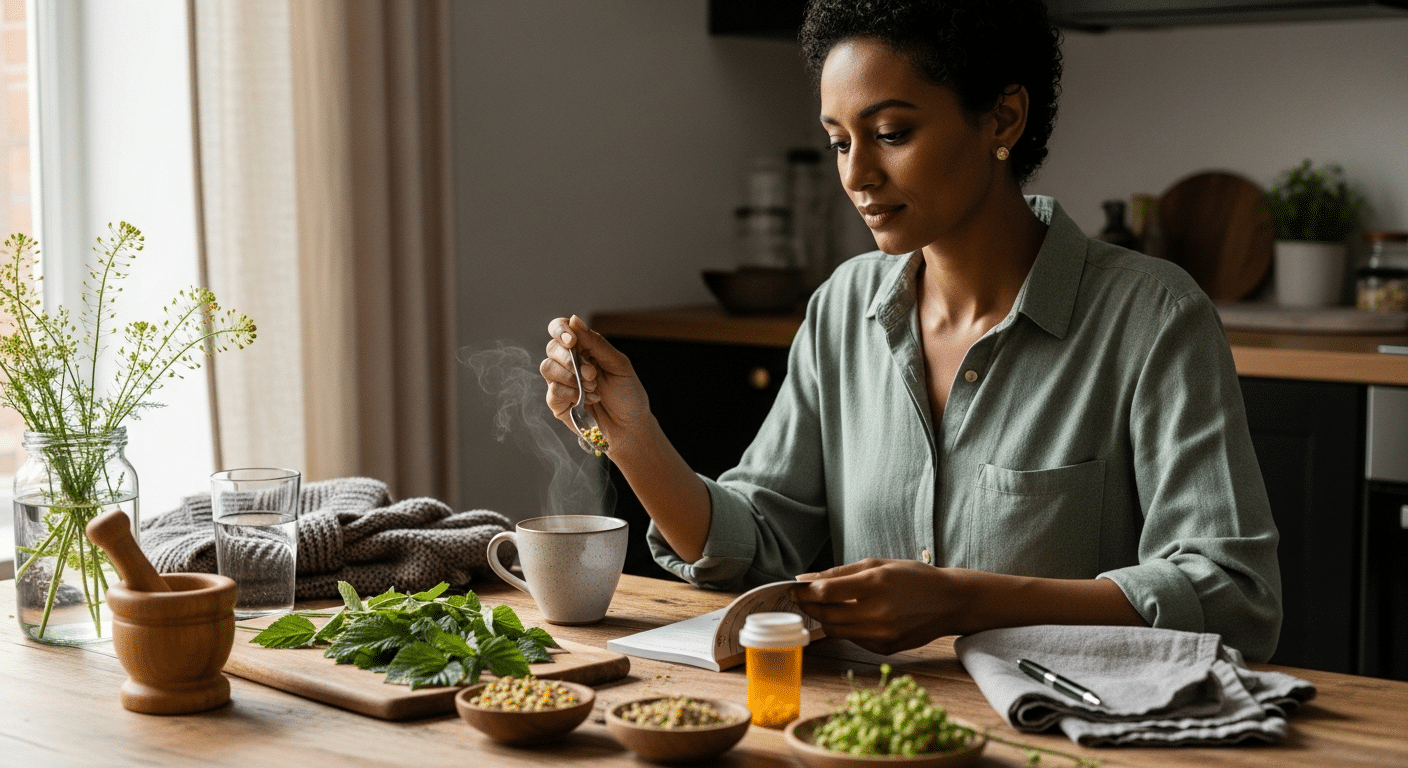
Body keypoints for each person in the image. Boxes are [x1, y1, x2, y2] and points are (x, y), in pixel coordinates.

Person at [540, 0, 1282, 662]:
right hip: (860, 736)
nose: (857, 174)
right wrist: (632, 437)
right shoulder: (843, 308)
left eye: (891, 133)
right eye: (839, 142)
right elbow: (758, 543)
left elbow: (1233, 596)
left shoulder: (1153, 316)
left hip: (1064, 738)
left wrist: (963, 601)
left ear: (1002, 119)